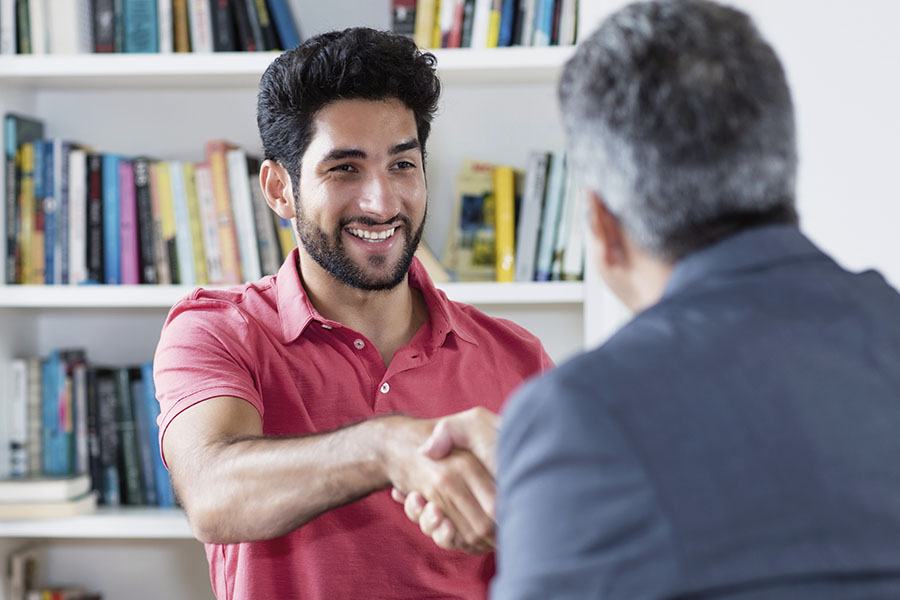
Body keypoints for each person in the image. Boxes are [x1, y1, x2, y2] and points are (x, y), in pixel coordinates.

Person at [406, 0, 900, 597]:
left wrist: (554, 486)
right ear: (780, 171)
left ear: (602, 225)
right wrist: (548, 502)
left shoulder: (581, 416)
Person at [152, 27, 551, 600]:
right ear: (279, 190)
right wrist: (388, 447)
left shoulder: (517, 357)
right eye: (345, 168)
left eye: (402, 166)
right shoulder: (217, 330)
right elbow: (213, 494)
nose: (382, 202)